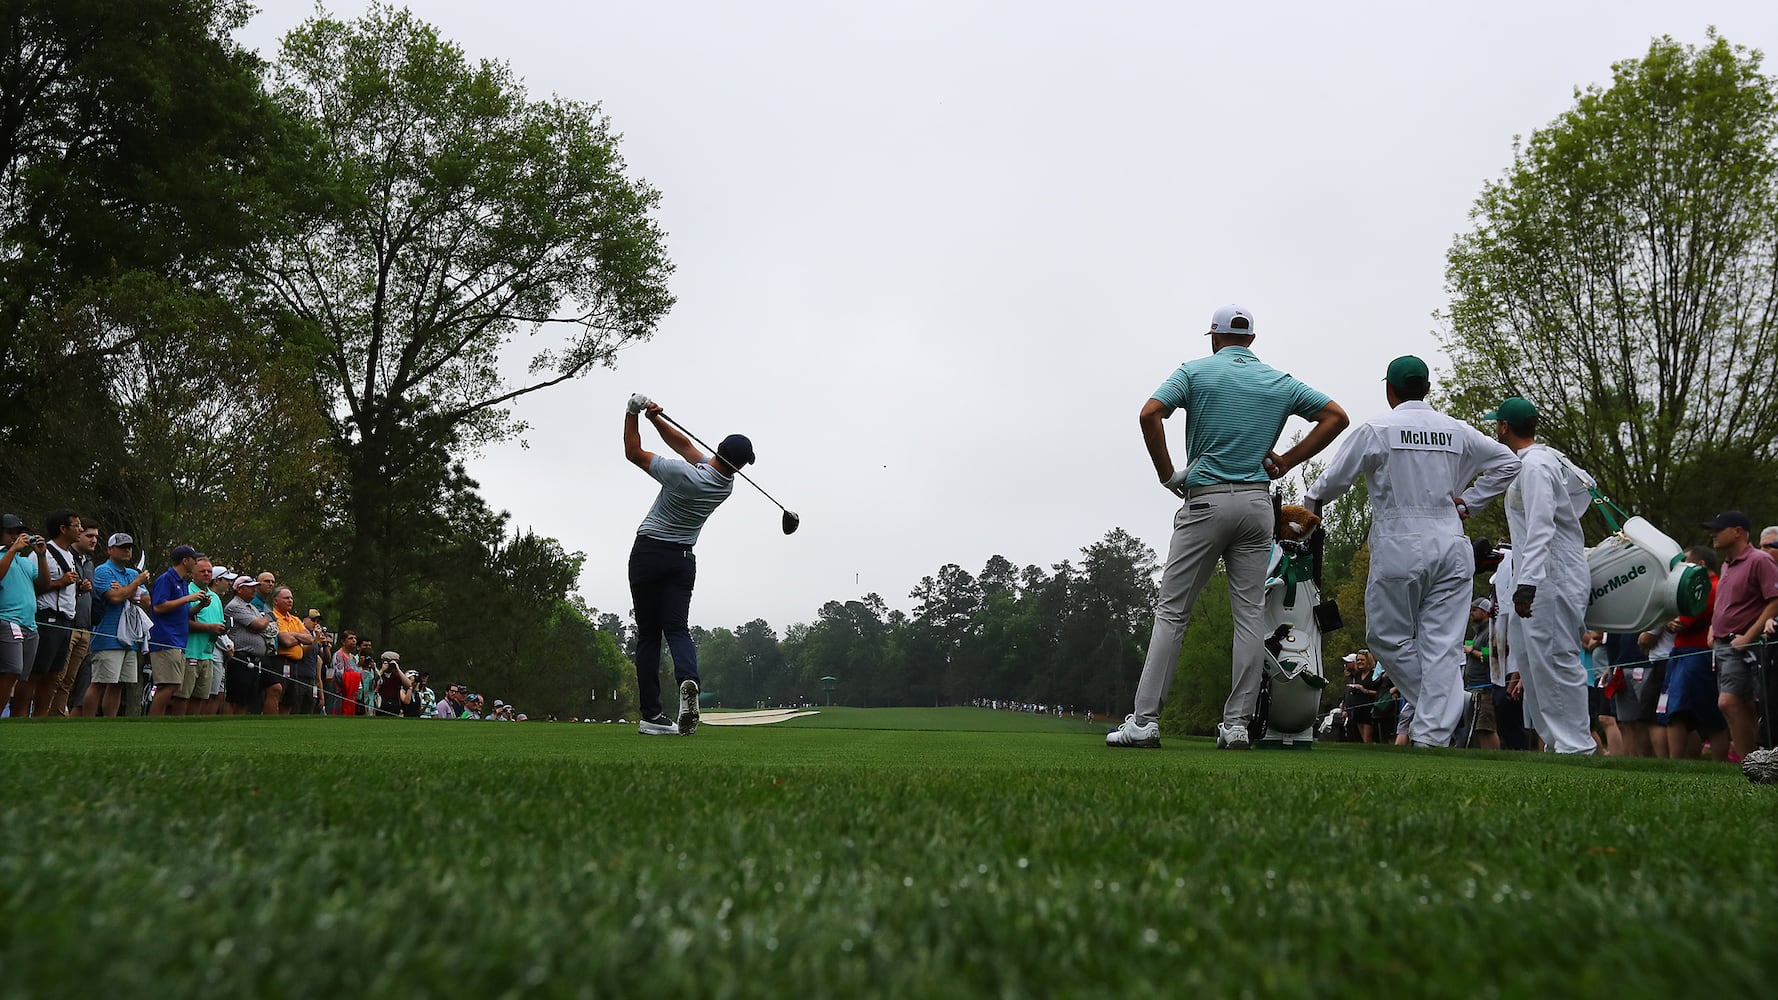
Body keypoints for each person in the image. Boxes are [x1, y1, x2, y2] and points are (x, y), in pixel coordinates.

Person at [1108, 304, 1348, 750]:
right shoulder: (1279, 380)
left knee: (1172, 613)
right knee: (1250, 617)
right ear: (1251, 341)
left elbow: (1149, 414)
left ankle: (1143, 722)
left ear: (1214, 337)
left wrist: (1167, 475)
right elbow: (1336, 416)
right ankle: (1236, 726)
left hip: (1205, 501)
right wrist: (1287, 460)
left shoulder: (1194, 372)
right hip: (1258, 506)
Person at [1305, 357, 1520, 747]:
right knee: (1442, 644)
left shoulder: (1378, 429)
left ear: (1390, 390)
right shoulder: (1457, 430)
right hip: (1451, 541)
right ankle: (1437, 729)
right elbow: (1508, 463)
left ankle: (1445, 713)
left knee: (1386, 637)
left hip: (1399, 541)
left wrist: (1310, 504)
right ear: (1427, 388)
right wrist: (1469, 503)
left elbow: (1330, 483)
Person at [624, 394, 757, 737]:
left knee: (650, 637)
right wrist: (656, 419)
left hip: (649, 553)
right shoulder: (725, 484)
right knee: (678, 630)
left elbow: (633, 453)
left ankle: (652, 716)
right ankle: (688, 682)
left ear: (717, 449)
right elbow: (685, 445)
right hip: (682, 560)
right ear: (740, 465)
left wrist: (633, 414)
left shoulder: (681, 473)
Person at [1490, 396, 1596, 755]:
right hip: (1543, 573)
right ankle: (1557, 742)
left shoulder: (1535, 465)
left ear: (1504, 427)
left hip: (1549, 576)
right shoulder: (1544, 460)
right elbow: (1581, 494)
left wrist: (1527, 584)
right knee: (1536, 663)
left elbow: (1540, 526)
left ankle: (1577, 746)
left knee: (1555, 658)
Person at [1703, 510, 1778, 762]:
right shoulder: (1726, 563)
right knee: (1742, 704)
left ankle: (1751, 762)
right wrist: (1714, 628)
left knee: (1729, 702)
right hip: (1725, 646)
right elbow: (1727, 604)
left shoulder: (1759, 560)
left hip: (1745, 646)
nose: (1713, 533)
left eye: (1719, 528)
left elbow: (1775, 601)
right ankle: (1758, 763)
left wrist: (1749, 636)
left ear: (1738, 532)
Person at [1656, 546, 1727, 761]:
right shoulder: (1705, 587)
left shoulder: (1711, 587)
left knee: (1697, 711)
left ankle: (1717, 763)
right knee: (1676, 710)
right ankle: (1677, 762)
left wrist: (1673, 619)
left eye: (1686, 563)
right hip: (1681, 653)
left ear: (1701, 565)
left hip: (1698, 654)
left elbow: (1684, 620)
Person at [17, 509, 83, 717]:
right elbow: (34, 586)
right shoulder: (40, 553)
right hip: (47, 618)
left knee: (54, 675)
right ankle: (18, 717)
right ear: (63, 529)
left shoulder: (70, 555)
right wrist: (60, 583)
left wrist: (80, 586)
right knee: (35, 673)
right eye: (76, 525)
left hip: (67, 621)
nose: (80, 529)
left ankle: (40, 718)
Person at [85, 533, 150, 718]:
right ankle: (85, 723)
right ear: (110, 549)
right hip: (107, 635)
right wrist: (135, 584)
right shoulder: (103, 571)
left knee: (118, 684)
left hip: (129, 638)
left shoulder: (130, 573)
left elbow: (146, 601)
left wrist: (126, 591)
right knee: (100, 682)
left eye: (129, 547)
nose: (127, 550)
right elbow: (114, 598)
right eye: (122, 547)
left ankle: (109, 723)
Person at [146, 544, 207, 716]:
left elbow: (182, 612)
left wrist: (200, 606)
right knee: (169, 684)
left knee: (173, 684)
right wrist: (188, 598)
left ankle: (157, 719)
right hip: (166, 639)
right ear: (185, 560)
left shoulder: (182, 582)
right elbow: (158, 606)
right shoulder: (166, 579)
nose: (196, 562)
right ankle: (152, 721)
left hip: (179, 640)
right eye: (194, 559)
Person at [0, 515, 50, 714]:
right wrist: (12, 549)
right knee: (11, 670)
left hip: (30, 624)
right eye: (10, 532)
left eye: (18, 533)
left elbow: (45, 583)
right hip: (7, 620)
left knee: (21, 675)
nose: (15, 537)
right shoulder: (8, 555)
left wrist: (41, 556)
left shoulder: (24, 561)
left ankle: (17, 717)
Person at [54, 522, 100, 717]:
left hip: (85, 627)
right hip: (67, 625)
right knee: (57, 676)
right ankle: (44, 715)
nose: (94, 540)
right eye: (89, 535)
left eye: (96, 537)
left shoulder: (89, 562)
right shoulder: (64, 556)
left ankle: (56, 716)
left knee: (69, 680)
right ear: (78, 535)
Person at [180, 558, 226, 715]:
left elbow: (218, 623)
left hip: (208, 654)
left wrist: (221, 630)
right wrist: (210, 628)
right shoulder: (187, 592)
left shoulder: (216, 598)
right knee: (183, 696)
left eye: (209, 571)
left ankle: (193, 731)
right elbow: (183, 622)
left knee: (201, 697)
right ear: (193, 573)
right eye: (202, 571)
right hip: (189, 651)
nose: (206, 574)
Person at [224, 574, 270, 715]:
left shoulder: (251, 607)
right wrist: (267, 619)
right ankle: (227, 726)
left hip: (253, 659)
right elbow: (258, 624)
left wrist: (262, 624)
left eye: (255, 588)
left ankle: (239, 726)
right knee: (235, 697)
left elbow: (265, 627)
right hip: (240, 657)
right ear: (239, 589)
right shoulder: (234, 606)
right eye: (250, 588)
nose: (254, 591)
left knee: (246, 699)